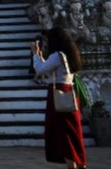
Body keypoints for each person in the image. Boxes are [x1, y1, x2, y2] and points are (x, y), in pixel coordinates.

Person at [31, 27, 87, 169]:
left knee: (62, 132)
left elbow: (40, 69)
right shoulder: (70, 54)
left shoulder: (57, 55)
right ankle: (80, 163)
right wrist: (40, 55)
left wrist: (34, 55)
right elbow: (48, 68)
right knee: (73, 132)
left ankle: (72, 165)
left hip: (58, 93)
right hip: (69, 92)